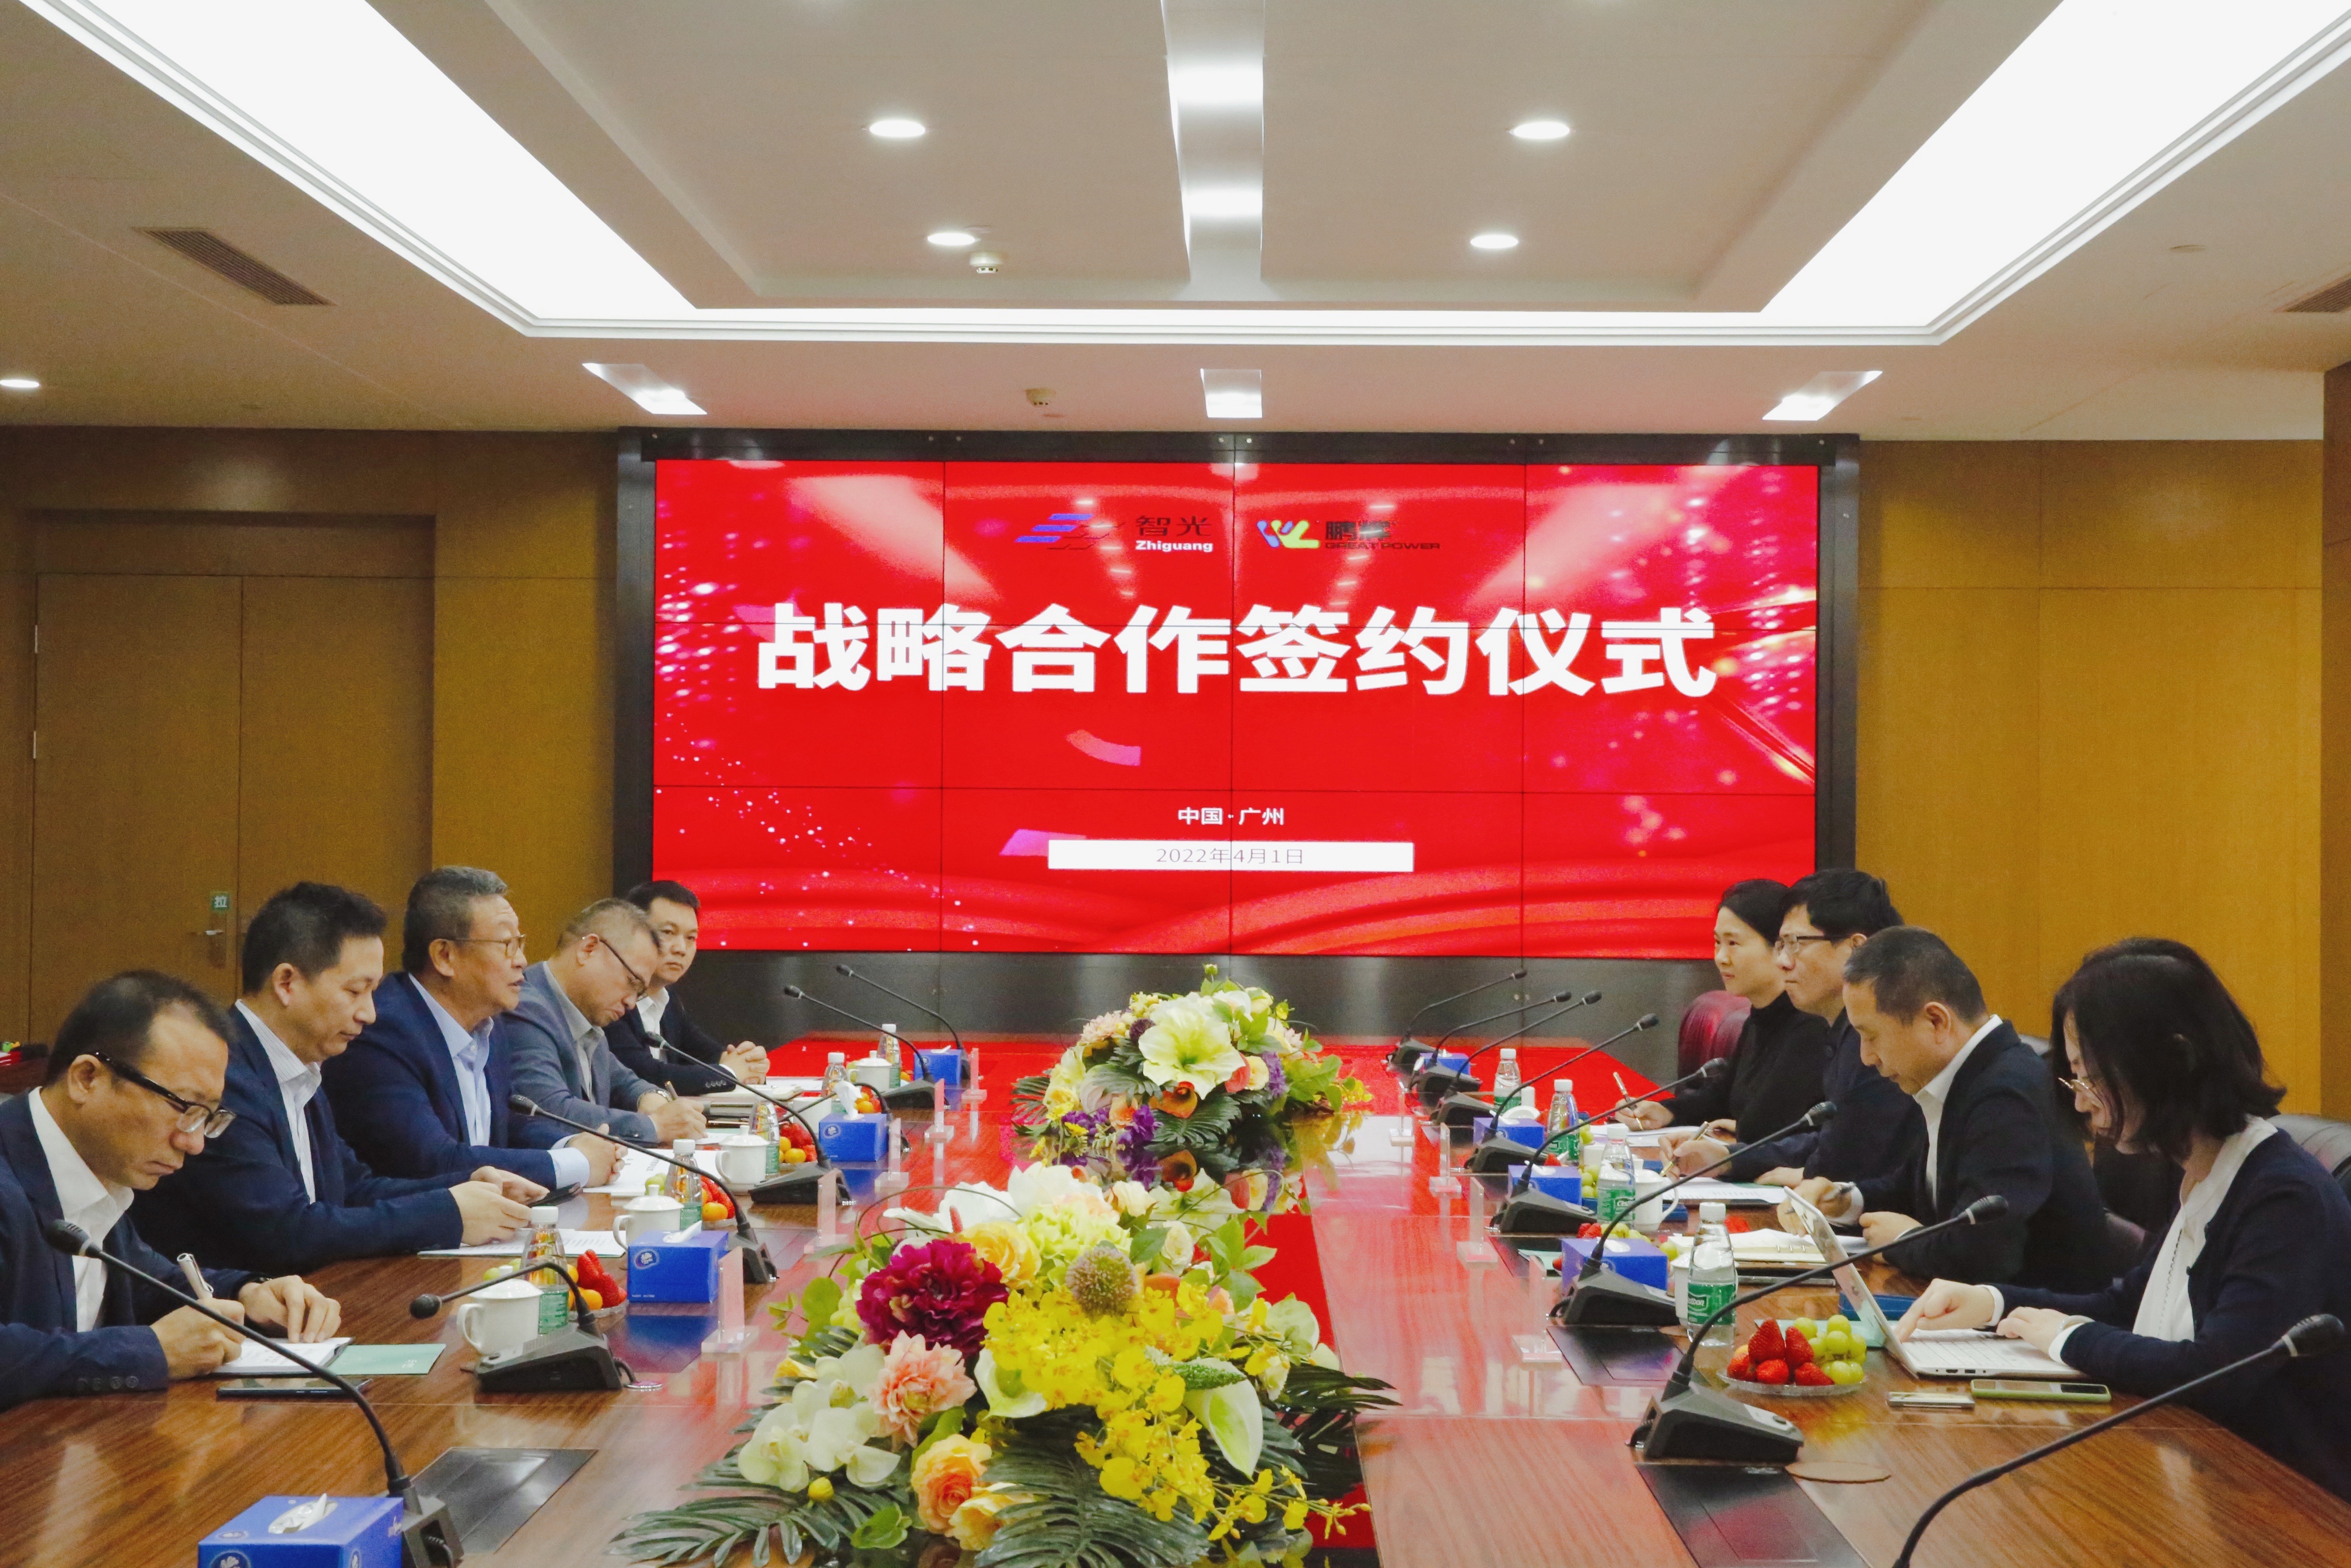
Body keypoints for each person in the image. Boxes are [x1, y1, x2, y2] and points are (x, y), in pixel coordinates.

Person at [1898, 938, 2351, 1502]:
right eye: (2075, 1077)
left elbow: (2217, 1373)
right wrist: (1993, 1304)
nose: (2081, 1102)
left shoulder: (2284, 1197)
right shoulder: (2197, 1170)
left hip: (2282, 1502)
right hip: (2191, 1466)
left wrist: (2069, 1338)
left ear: (2173, 1060)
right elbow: (2128, 1304)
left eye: (2091, 1076)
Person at [138, 883, 540, 1275]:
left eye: (373, 992)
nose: (370, 1014)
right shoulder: (225, 1077)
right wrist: (448, 1213)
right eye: (355, 992)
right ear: (287, 983)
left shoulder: (301, 1066)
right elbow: (289, 1232)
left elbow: (351, 1188)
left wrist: (466, 1186)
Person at [2, 972, 340, 1410]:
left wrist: (249, 1294)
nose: (194, 1143)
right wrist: (150, 1351)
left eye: (208, 1117)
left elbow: (146, 1282)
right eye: (182, 1108)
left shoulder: (98, 1168)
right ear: (86, 1078)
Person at [1790, 926, 2109, 1290]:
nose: (1866, 1057)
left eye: (1872, 1036)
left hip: (2034, 1315)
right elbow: (1923, 1187)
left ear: (1936, 1021)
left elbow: (1985, 1252)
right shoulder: (1965, 1074)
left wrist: (1903, 1242)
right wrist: (1845, 1200)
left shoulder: (2006, 1094)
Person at [324, 867, 617, 1192]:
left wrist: (571, 1144)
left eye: (519, 943)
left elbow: (506, 1124)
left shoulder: (489, 1024)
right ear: (445, 956)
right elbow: (430, 1160)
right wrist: (574, 1165)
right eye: (506, 944)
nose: (522, 960)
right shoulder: (384, 1031)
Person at [1668, 868, 1919, 1184]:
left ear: (1856, 949)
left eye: (1795, 944)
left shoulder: (1883, 1035)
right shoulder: (1842, 1031)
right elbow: (1830, 1141)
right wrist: (1731, 1159)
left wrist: (1799, 1172)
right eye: (1781, 945)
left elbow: (1851, 1160)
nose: (1783, 962)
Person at [1619, 879, 1834, 1174]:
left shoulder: (1811, 1026)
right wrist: (1668, 1112)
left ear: (1780, 947)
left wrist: (1739, 1129)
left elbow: (1767, 1126)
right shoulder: (1761, 1016)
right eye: (1717, 942)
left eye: (1733, 944)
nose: (1720, 958)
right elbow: (1723, 1095)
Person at [503, 898, 707, 1150]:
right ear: (589, 949)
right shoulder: (525, 1007)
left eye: (640, 993)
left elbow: (623, 1080)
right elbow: (550, 1111)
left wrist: (652, 1096)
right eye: (632, 982)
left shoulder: (586, 1015)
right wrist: (655, 1126)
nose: (631, 1002)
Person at [607, 881, 768, 1096]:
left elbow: (703, 1053)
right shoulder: (610, 999)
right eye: (668, 932)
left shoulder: (667, 998)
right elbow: (646, 1075)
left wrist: (747, 1064)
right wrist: (730, 1072)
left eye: (691, 938)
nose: (681, 949)